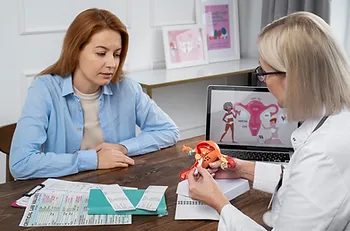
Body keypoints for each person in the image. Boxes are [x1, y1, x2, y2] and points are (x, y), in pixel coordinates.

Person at [187, 11, 350, 230]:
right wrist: (243, 169)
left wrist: (218, 202)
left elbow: (312, 174)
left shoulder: (321, 153)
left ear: (292, 77)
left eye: (264, 73)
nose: (263, 82)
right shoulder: (334, 116)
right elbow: (304, 182)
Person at [10, 8, 179, 180]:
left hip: (117, 187)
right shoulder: (44, 89)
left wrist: (122, 148)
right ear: (76, 51)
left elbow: (168, 131)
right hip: (66, 196)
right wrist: (93, 160)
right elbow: (21, 163)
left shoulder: (127, 88)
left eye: (116, 54)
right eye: (101, 53)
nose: (111, 63)